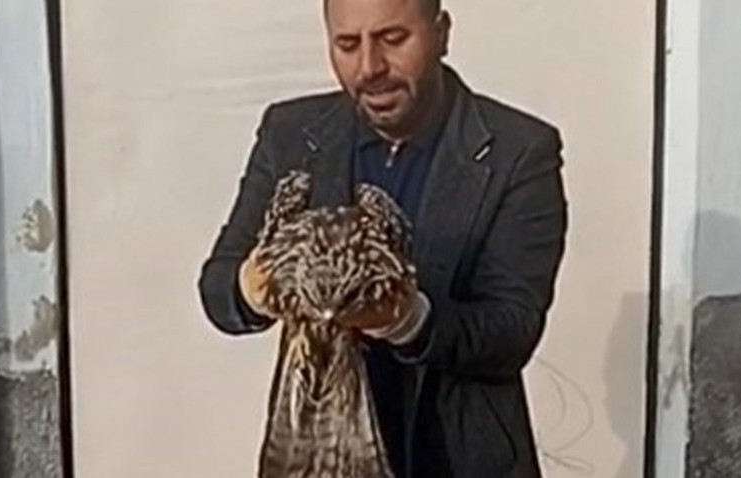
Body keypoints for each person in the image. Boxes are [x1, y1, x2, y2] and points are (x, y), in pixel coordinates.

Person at [198, 0, 568, 476]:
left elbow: (512, 329)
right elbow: (218, 289)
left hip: (458, 457)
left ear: (442, 33)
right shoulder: (289, 133)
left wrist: (407, 320)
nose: (370, 67)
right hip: (317, 451)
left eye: (393, 39)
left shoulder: (518, 151)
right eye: (347, 44)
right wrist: (254, 287)